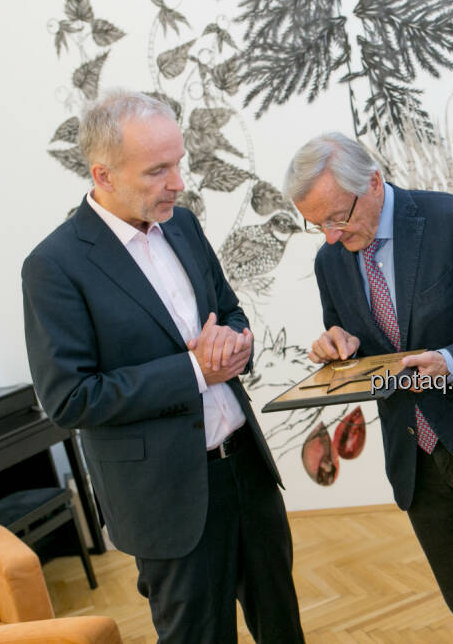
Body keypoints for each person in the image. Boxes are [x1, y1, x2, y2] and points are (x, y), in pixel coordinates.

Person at [21, 90, 304, 643]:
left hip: (245, 468)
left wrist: (238, 343)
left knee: (282, 625)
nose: (178, 183)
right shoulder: (54, 266)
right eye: (158, 170)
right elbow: (69, 398)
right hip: (164, 495)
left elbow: (231, 309)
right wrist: (196, 371)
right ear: (103, 174)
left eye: (179, 164)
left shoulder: (183, 226)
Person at [287, 132, 453, 644]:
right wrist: (336, 345)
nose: (328, 235)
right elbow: (360, 347)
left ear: (372, 182)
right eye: (315, 223)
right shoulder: (331, 261)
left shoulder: (452, 221)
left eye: (336, 217)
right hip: (418, 462)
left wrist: (452, 361)